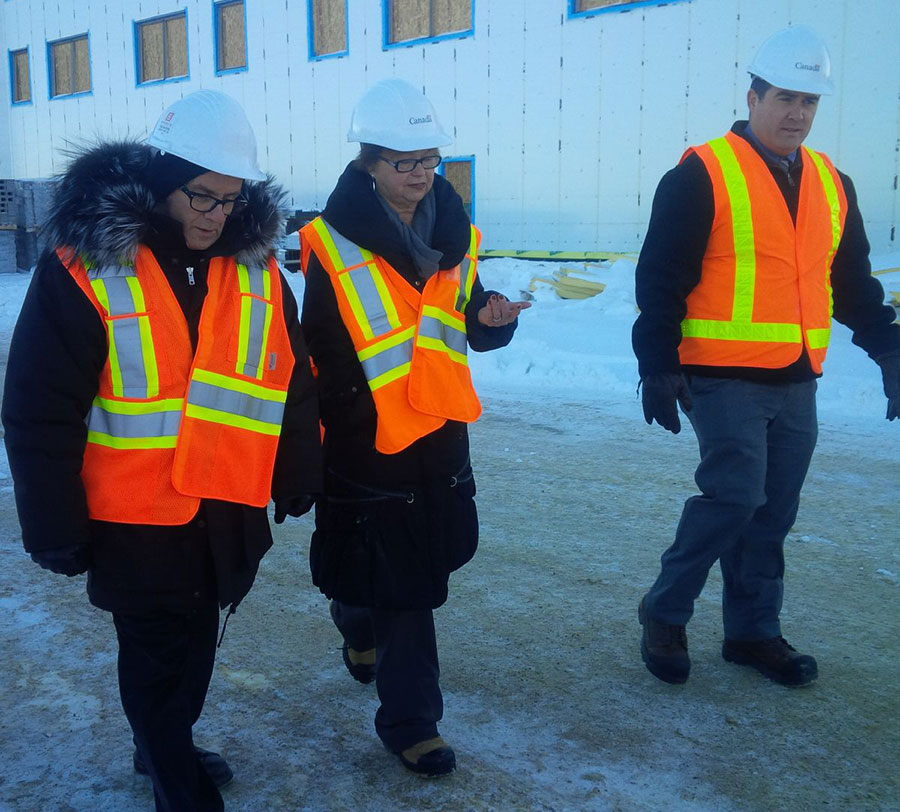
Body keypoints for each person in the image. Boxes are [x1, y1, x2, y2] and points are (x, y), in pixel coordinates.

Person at [1, 90, 322, 811]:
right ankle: (174, 774)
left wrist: (300, 466)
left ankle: (162, 740)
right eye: (201, 196)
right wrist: (52, 522)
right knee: (154, 654)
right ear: (159, 183)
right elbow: (39, 409)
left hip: (227, 506)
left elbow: (290, 376)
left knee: (197, 644)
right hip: (134, 516)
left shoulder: (259, 272)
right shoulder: (87, 267)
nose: (217, 214)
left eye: (231, 201)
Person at [632, 26, 900, 688]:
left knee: (773, 512)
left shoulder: (834, 184)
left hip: (796, 380)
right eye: (784, 97)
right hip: (721, 379)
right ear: (753, 96)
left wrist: (889, 346)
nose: (797, 114)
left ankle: (753, 632)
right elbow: (660, 276)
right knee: (735, 495)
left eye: (809, 101)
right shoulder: (703, 172)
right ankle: (665, 613)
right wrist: (657, 363)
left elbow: (852, 284)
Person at [299, 78, 529, 776]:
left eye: (430, 159)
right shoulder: (327, 245)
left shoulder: (456, 235)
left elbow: (456, 319)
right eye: (405, 162)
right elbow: (318, 347)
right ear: (368, 163)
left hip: (441, 433)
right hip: (367, 441)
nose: (422, 174)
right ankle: (412, 724)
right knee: (407, 588)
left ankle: (353, 618)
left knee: (417, 566)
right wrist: (343, 428)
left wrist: (491, 319)